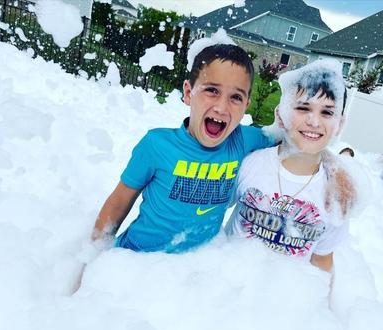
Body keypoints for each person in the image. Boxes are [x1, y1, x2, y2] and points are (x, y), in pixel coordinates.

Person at [92, 43, 274, 252]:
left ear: (246, 105)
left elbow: (289, 142)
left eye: (236, 97)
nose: (222, 107)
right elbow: (118, 203)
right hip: (137, 258)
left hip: (190, 266)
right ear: (188, 93)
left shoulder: (245, 140)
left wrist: (322, 164)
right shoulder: (157, 145)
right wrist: (93, 255)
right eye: (212, 90)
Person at [226, 60, 351, 272]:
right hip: (226, 284)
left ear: (340, 123)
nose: (314, 121)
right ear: (280, 115)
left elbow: (322, 263)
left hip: (285, 298)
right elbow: (208, 213)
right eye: (303, 108)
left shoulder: (337, 195)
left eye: (327, 112)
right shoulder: (251, 165)